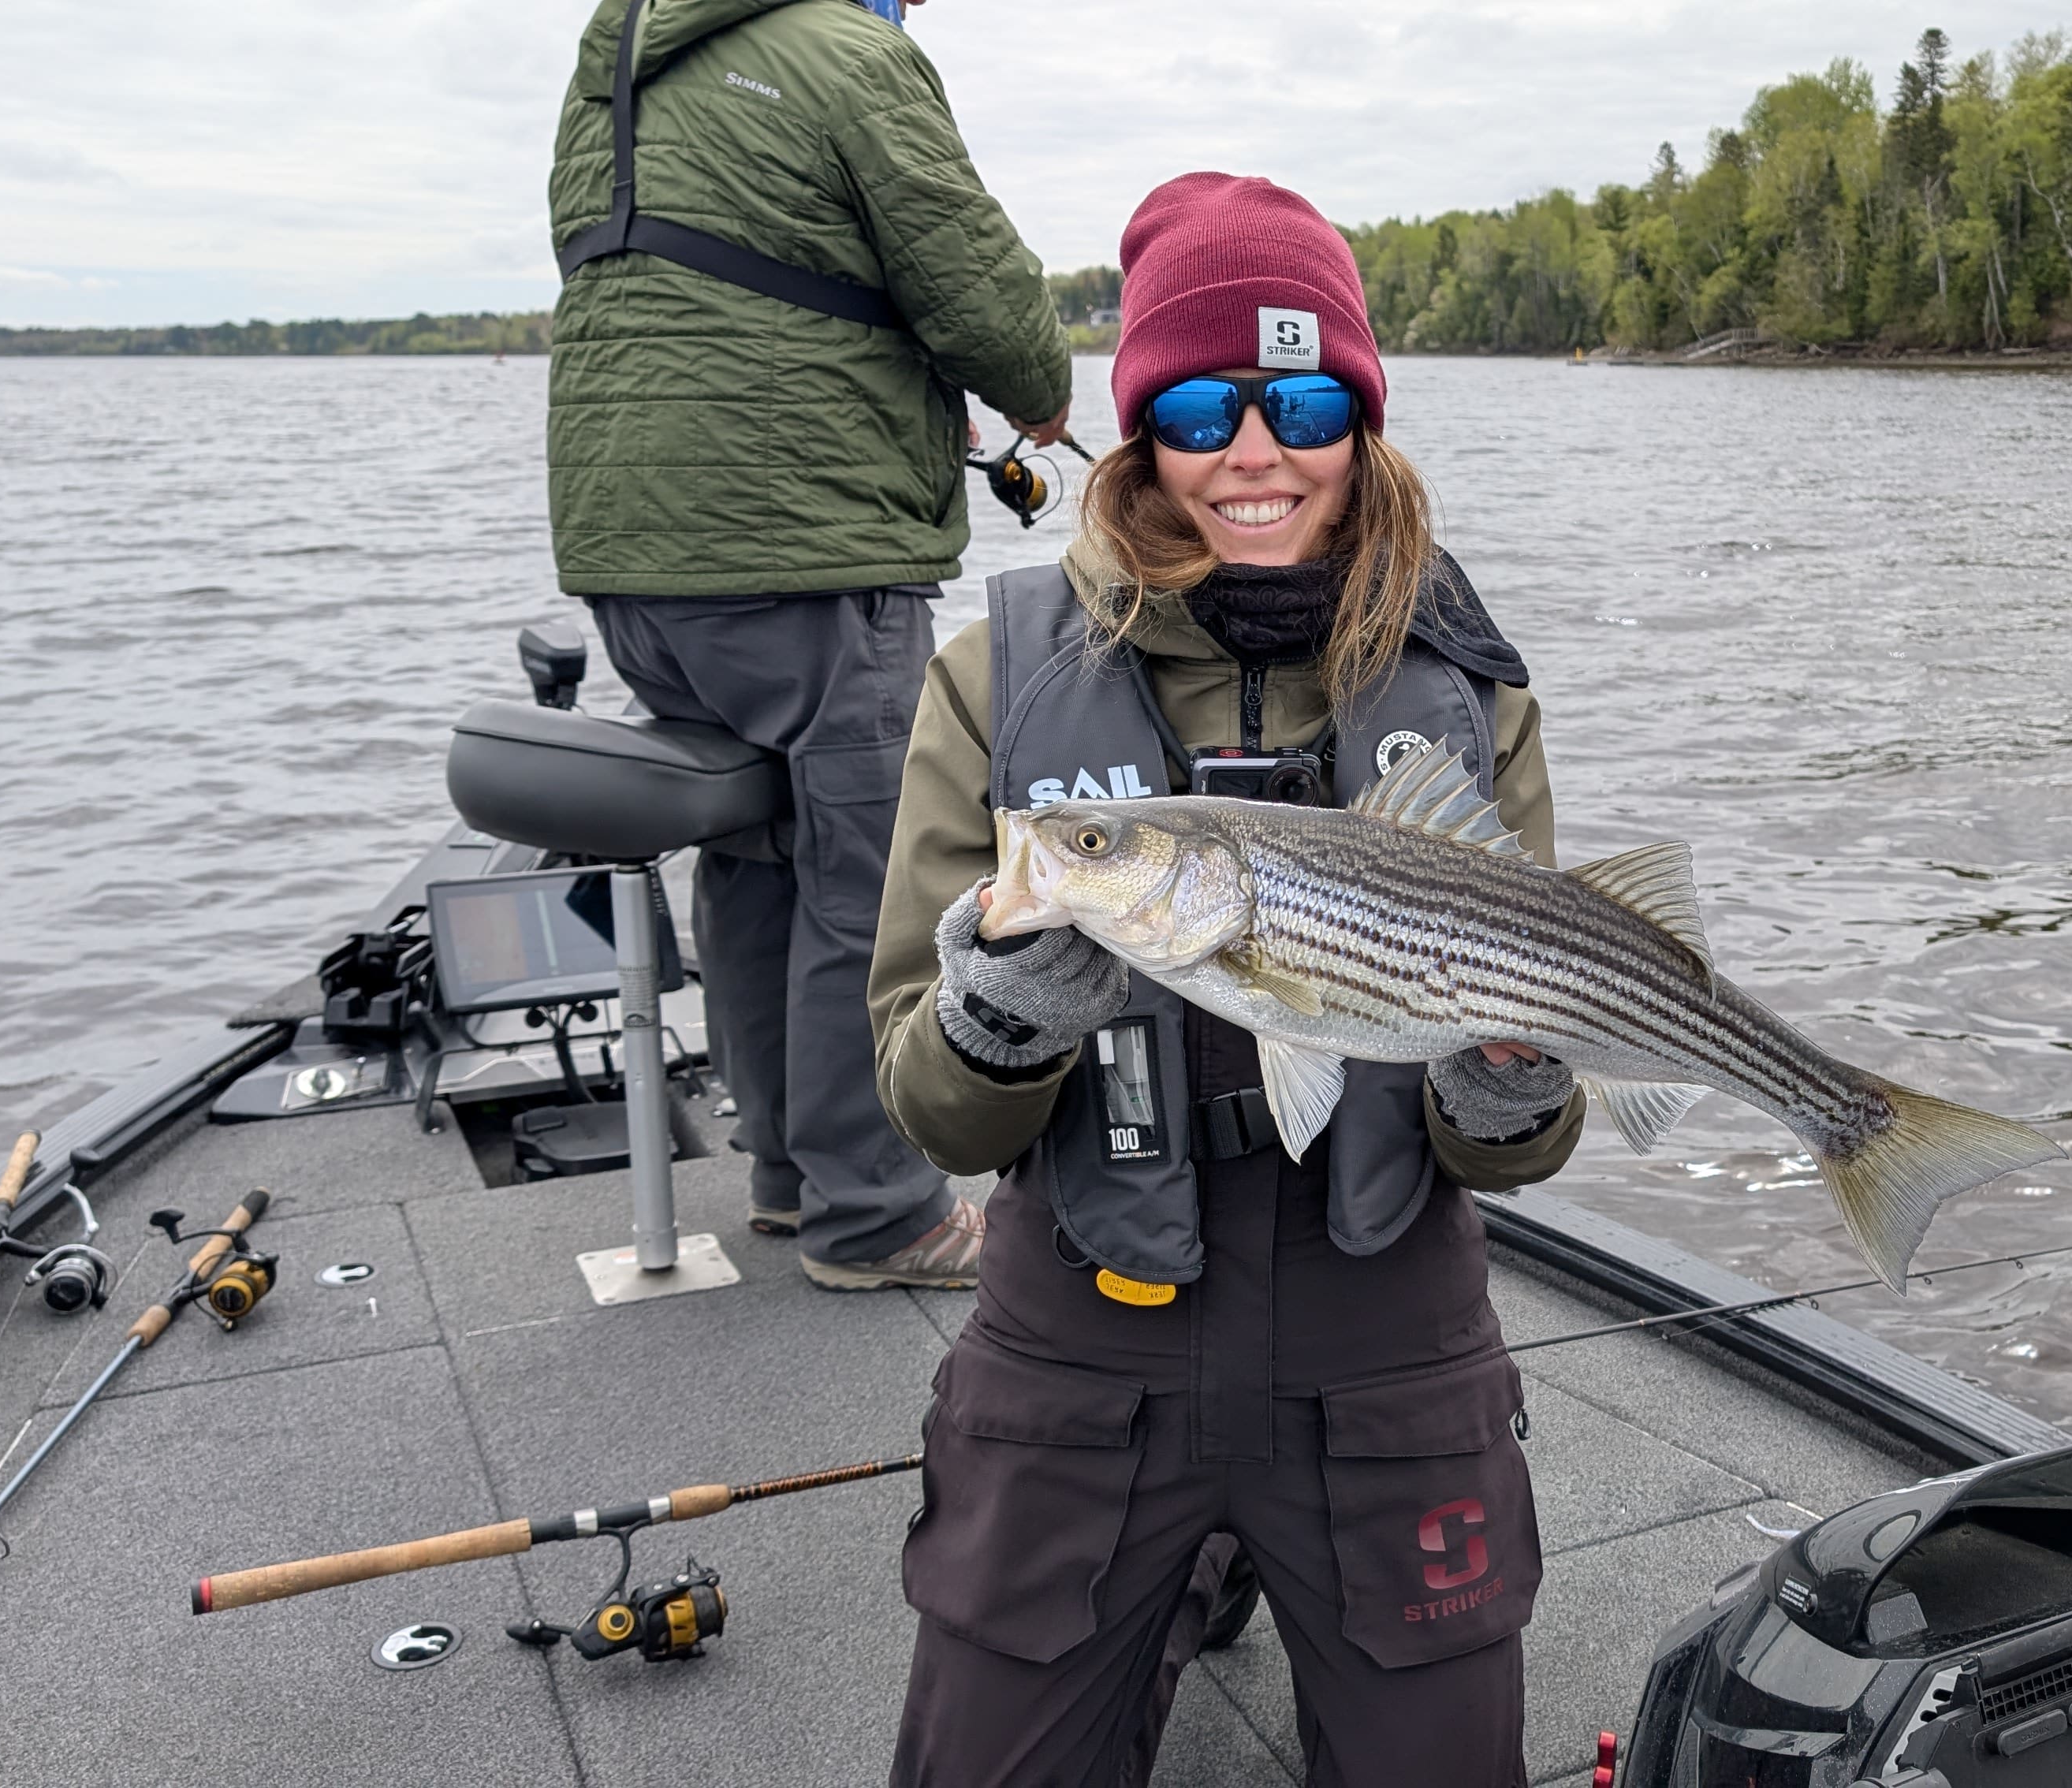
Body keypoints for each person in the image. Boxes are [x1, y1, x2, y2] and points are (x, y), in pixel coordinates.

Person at [867, 173, 1586, 1786]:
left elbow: (1523, 1152)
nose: (1253, 452)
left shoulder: (1470, 690)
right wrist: (993, 1017)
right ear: (1136, 436)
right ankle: (1187, 1563)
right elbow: (924, 1102)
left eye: (1305, 399)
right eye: (1197, 405)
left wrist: (1515, 1084)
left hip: (1387, 1328)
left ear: (1365, 417)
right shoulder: (995, 679)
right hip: (1083, 1331)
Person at [544, 0, 1069, 1288]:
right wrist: (1042, 394)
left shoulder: (615, 60)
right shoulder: (853, 51)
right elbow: (978, 289)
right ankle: (878, 1215)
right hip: (801, 545)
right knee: (867, 874)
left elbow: (719, 279)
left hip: (631, 545)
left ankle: (787, 1175)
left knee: (755, 855)